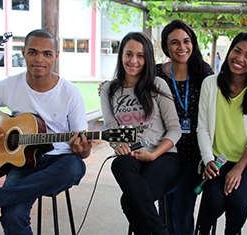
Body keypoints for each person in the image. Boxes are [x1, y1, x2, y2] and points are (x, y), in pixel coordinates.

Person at [0, 29, 93, 234]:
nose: (39, 59)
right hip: (22, 161)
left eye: (47, 54)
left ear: (56, 56)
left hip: (59, 163)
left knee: (75, 167)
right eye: (33, 52)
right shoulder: (10, 85)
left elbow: (83, 149)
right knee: (12, 217)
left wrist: (82, 151)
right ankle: (0, 197)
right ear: (23, 52)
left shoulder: (70, 93)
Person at [100, 32, 182, 235]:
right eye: (129, 54)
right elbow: (111, 128)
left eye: (140, 55)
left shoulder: (157, 85)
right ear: (121, 56)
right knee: (119, 163)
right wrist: (118, 145)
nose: (133, 61)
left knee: (129, 202)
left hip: (163, 156)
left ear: (147, 59)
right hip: (133, 154)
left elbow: (175, 129)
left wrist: (154, 154)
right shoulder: (109, 90)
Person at [196, 32, 247, 235]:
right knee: (214, 200)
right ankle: (203, 231)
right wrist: (208, 159)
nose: (240, 58)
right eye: (237, 51)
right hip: (217, 161)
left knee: (237, 201)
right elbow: (202, 127)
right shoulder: (210, 84)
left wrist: (238, 169)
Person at [156, 19, 214, 235]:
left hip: (194, 154)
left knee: (182, 208)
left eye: (186, 41)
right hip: (164, 150)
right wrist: (108, 88)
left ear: (193, 43)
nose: (182, 47)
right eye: (174, 43)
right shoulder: (155, 74)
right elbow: (130, 89)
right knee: (165, 207)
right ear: (166, 47)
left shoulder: (203, 73)